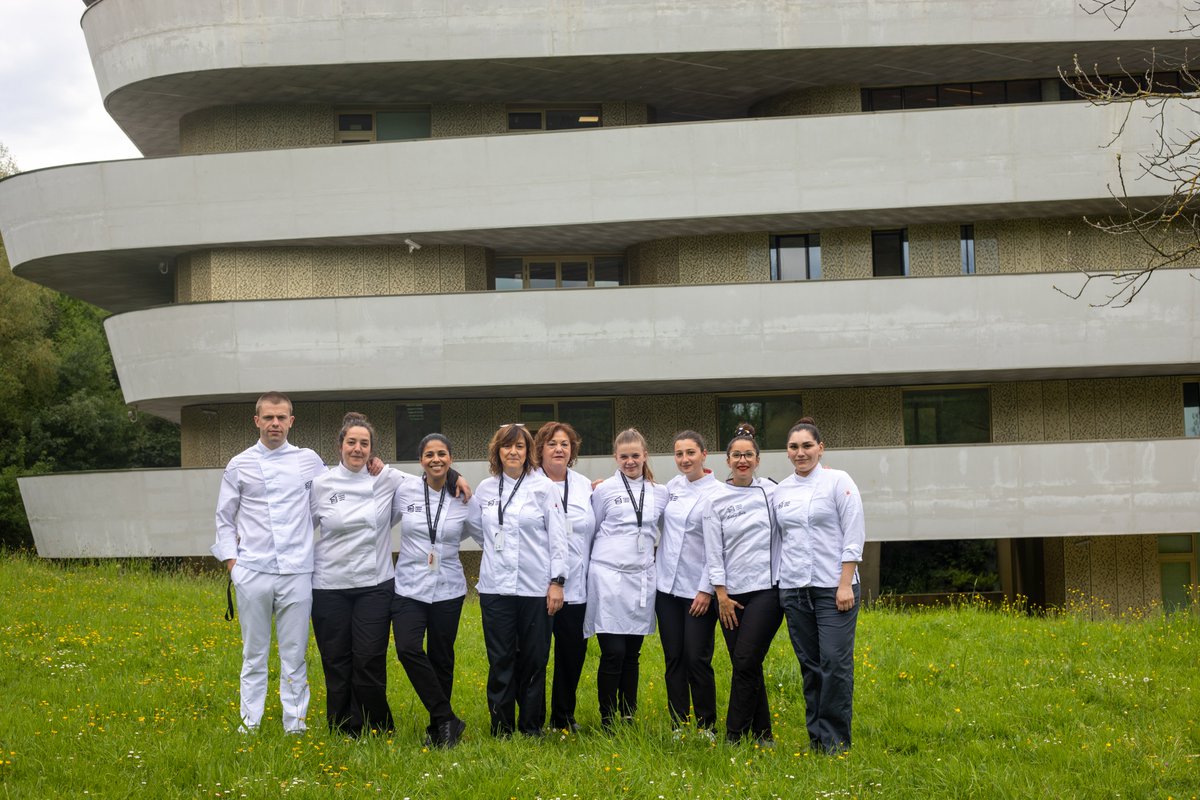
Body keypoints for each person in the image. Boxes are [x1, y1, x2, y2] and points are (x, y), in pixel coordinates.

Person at [213, 391, 325, 734]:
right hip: (253, 572)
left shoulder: (310, 461)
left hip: (297, 571)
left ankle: (295, 724)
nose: (275, 423)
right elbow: (224, 518)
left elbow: (329, 502)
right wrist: (234, 565)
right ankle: (250, 723)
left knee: (294, 654)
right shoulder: (239, 463)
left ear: (291, 421)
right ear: (257, 421)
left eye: (281, 418)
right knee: (254, 654)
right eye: (268, 417)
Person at [466, 423, 568, 738]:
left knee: (535, 659)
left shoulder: (544, 487)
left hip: (535, 588)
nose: (513, 452)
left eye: (520, 447)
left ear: (528, 452)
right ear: (498, 451)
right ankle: (502, 727)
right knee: (501, 659)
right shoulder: (485, 488)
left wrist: (557, 582)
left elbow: (558, 537)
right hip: (496, 588)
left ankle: (531, 726)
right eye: (507, 446)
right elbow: (476, 528)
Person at [308, 412, 405, 738]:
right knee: (336, 660)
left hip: (375, 586)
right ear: (340, 446)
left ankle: (378, 725)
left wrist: (457, 478)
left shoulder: (386, 479)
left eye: (364, 444)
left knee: (369, 659)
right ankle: (342, 727)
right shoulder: (321, 484)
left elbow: (429, 483)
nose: (357, 449)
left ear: (372, 450)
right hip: (328, 585)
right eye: (352, 442)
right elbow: (300, 529)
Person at [774, 417, 865, 754]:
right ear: (787, 452)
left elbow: (854, 533)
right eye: (794, 447)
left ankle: (836, 742)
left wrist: (845, 583)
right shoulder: (780, 490)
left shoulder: (838, 481)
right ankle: (817, 738)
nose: (801, 453)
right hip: (795, 590)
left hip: (833, 588)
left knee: (835, 664)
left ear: (820, 448)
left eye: (807, 446)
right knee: (810, 667)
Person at [703, 423, 783, 746]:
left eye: (748, 455)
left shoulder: (774, 490)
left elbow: (804, 492)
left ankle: (733, 736)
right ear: (727, 460)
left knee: (747, 659)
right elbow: (713, 551)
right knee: (746, 663)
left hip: (767, 589)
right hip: (730, 595)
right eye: (736, 455)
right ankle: (763, 734)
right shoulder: (715, 499)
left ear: (758, 459)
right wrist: (720, 594)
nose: (742, 460)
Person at [391, 433, 472, 748]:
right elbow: (379, 468)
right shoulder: (404, 489)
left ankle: (440, 730)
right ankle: (446, 717)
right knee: (407, 648)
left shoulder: (464, 497)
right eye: (429, 454)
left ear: (450, 458)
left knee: (442, 657)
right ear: (420, 460)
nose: (435, 459)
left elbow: (486, 530)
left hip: (448, 586)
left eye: (442, 454)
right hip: (409, 585)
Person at [586, 427, 668, 730]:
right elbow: (591, 531)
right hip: (608, 577)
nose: (630, 461)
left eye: (635, 455)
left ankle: (628, 713)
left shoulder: (660, 493)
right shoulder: (603, 490)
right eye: (624, 456)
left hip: (641, 578)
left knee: (632, 653)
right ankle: (607, 717)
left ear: (645, 456)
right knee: (613, 652)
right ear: (615, 457)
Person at [531, 422, 595, 733]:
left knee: (572, 655)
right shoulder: (529, 483)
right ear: (540, 449)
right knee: (537, 655)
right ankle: (534, 718)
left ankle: (563, 717)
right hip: (540, 586)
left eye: (565, 444)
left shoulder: (584, 485)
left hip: (577, 588)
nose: (559, 449)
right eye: (552, 444)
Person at [656, 430, 720, 738]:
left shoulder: (718, 492)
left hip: (698, 591)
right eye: (679, 454)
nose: (684, 459)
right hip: (666, 588)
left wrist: (706, 589)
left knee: (697, 657)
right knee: (674, 657)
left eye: (690, 453)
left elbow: (717, 547)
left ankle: (706, 724)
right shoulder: (671, 489)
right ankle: (678, 724)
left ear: (704, 455)